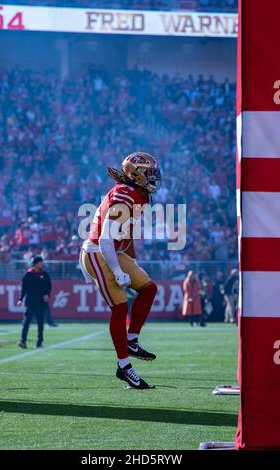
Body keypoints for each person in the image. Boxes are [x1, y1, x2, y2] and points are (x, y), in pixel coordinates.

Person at [80, 152, 161, 389]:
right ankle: (124, 367)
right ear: (136, 174)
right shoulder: (125, 194)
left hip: (112, 251)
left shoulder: (136, 193)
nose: (153, 178)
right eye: (150, 173)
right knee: (119, 307)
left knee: (148, 288)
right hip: (98, 253)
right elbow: (105, 239)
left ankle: (132, 340)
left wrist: (132, 262)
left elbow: (125, 236)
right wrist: (118, 271)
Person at [17, 256, 52, 348]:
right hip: (30, 302)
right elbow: (23, 288)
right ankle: (22, 341)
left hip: (41, 303)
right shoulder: (28, 275)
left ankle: (39, 342)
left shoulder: (45, 274)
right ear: (36, 263)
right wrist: (20, 299)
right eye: (40, 262)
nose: (42, 264)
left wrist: (47, 294)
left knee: (40, 323)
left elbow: (49, 286)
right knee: (26, 322)